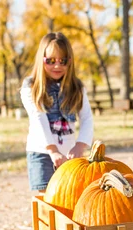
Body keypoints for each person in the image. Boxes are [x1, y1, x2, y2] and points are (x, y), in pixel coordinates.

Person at [21, 32, 93, 192]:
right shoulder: (31, 86)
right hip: (42, 152)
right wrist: (52, 150)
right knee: (45, 200)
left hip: (70, 155)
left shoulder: (76, 87)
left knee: (70, 197)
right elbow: (38, 117)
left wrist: (79, 147)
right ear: (42, 60)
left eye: (63, 60)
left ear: (70, 61)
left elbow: (87, 118)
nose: (57, 66)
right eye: (51, 60)